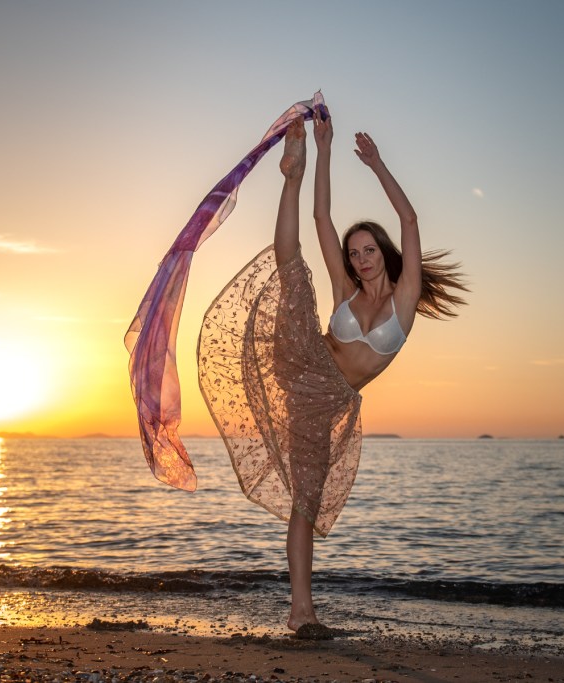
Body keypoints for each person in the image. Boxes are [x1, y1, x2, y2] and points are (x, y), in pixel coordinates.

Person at [196, 107, 467, 639]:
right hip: (303, 357)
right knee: (294, 273)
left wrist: (377, 164)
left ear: (384, 252)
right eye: (354, 253)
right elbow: (323, 220)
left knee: (306, 501)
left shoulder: (405, 300)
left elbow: (411, 221)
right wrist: (322, 151)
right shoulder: (345, 290)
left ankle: (301, 613)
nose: (361, 260)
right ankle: (291, 175)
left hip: (324, 403)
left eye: (369, 251)